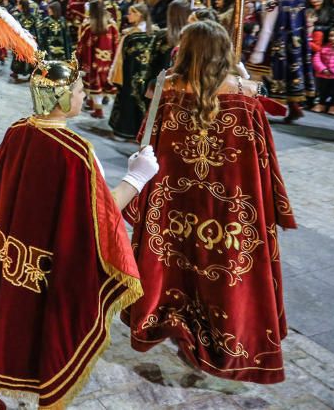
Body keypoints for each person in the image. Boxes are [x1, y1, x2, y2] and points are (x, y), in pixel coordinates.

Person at [0, 59, 157, 409]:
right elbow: (103, 217)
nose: (83, 95)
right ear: (63, 98)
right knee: (41, 322)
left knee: (6, 308)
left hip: (13, 248)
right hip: (48, 262)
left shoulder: (18, 130)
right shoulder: (77, 152)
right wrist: (138, 178)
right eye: (80, 90)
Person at [124, 21, 296, 383]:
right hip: (231, 212)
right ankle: (228, 338)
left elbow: (146, 141)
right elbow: (264, 162)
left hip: (174, 210)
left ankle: (170, 319)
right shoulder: (247, 99)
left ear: (184, 50)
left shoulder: (166, 91)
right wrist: (273, 203)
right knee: (228, 269)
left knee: (174, 262)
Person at [248, 0, 315, 121]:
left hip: (274, 47)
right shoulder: (300, 1)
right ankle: (294, 108)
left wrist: (259, 51)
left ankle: (259, 108)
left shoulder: (275, 3)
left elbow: (267, 28)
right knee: (291, 76)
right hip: (296, 46)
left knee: (257, 76)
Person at [108, 3, 156, 139]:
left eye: (130, 13)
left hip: (130, 75)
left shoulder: (131, 35)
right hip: (144, 75)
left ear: (139, 15)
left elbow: (119, 59)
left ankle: (126, 131)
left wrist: (114, 75)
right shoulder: (153, 32)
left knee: (131, 101)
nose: (127, 15)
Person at [75, 0, 119, 118]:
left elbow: (84, 47)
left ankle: (98, 110)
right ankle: (91, 102)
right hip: (108, 62)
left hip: (93, 62)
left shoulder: (90, 28)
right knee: (104, 84)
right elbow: (116, 45)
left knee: (94, 85)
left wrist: (82, 62)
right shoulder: (112, 27)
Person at [313, 26, 334, 114]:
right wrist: (323, 69)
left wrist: (333, 71)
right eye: (331, 36)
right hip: (323, 74)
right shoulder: (324, 47)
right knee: (323, 90)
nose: (332, 38)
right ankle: (321, 104)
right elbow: (316, 58)